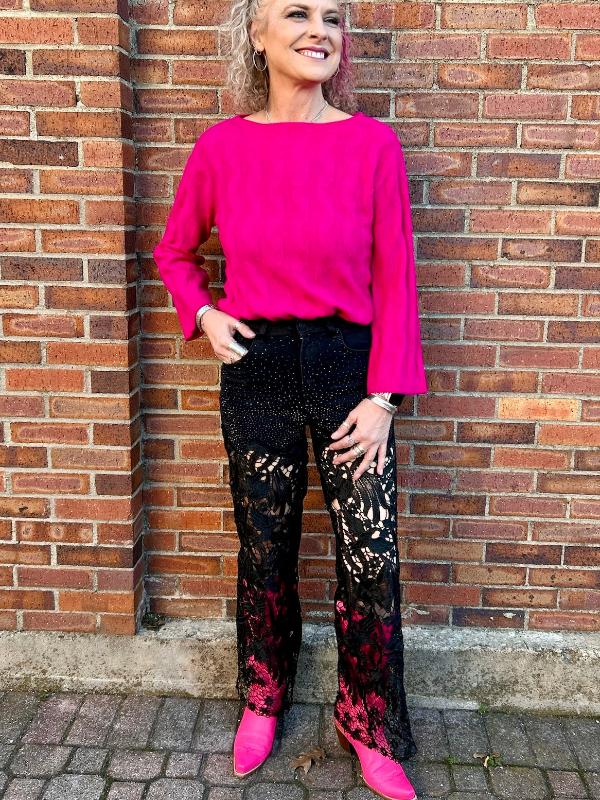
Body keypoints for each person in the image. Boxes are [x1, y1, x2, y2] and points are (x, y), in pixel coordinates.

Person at [153, 1, 428, 798]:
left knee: (369, 554)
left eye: (333, 18)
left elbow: (397, 274)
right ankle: (263, 695)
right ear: (257, 34)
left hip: (351, 370)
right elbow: (175, 253)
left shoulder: (371, 145)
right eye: (298, 13)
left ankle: (367, 718)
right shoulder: (222, 148)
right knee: (264, 548)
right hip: (260, 366)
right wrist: (205, 314)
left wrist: (385, 397)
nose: (319, 31)